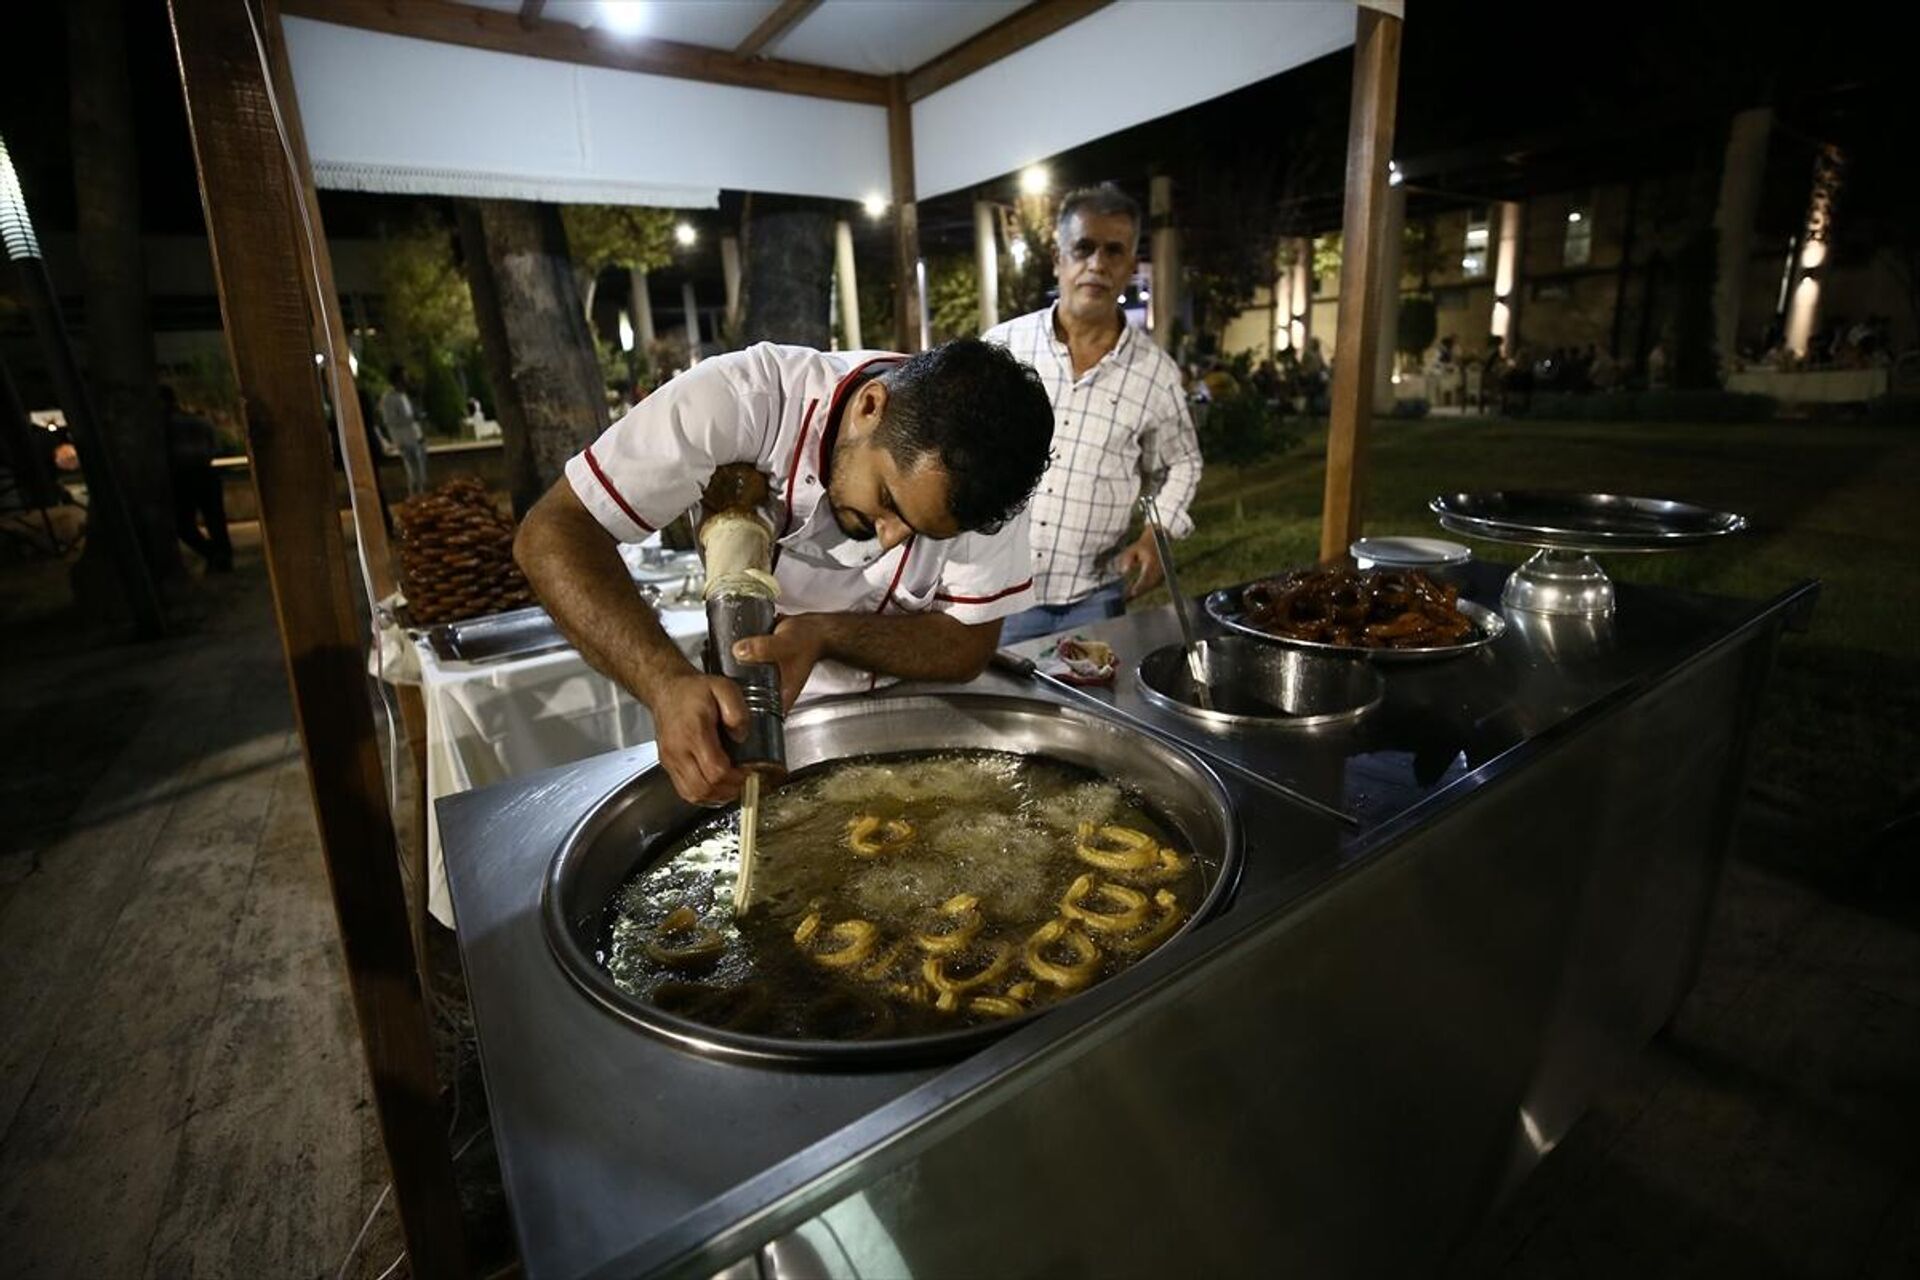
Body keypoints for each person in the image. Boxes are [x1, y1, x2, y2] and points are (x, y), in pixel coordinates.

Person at [514, 338, 1054, 806]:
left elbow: (968, 645)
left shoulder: (988, 473)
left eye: (922, 532)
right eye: (888, 499)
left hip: (923, 723)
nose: (891, 537)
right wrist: (666, 685)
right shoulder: (742, 400)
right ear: (870, 406)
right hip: (764, 719)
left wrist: (821, 634)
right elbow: (552, 534)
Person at [982, 183, 1202, 646]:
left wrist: (1157, 532)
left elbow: (1182, 461)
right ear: (1059, 259)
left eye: (1114, 251)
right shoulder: (1003, 348)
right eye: (1083, 248)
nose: (1097, 264)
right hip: (996, 592)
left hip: (1094, 597)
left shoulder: (1155, 374)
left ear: (1129, 266)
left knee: (1088, 713)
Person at [160, 384, 233, 573]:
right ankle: (221, 556)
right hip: (205, 472)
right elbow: (214, 447)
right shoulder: (198, 421)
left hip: (181, 476)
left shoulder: (163, 427)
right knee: (215, 519)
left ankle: (213, 553)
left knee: (184, 523)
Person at [379, 365, 429, 495]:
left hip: (415, 437)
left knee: (421, 471)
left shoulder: (403, 395)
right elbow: (390, 420)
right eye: (404, 377)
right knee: (412, 471)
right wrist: (411, 418)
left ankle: (421, 495)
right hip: (404, 440)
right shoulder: (388, 398)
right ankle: (415, 497)